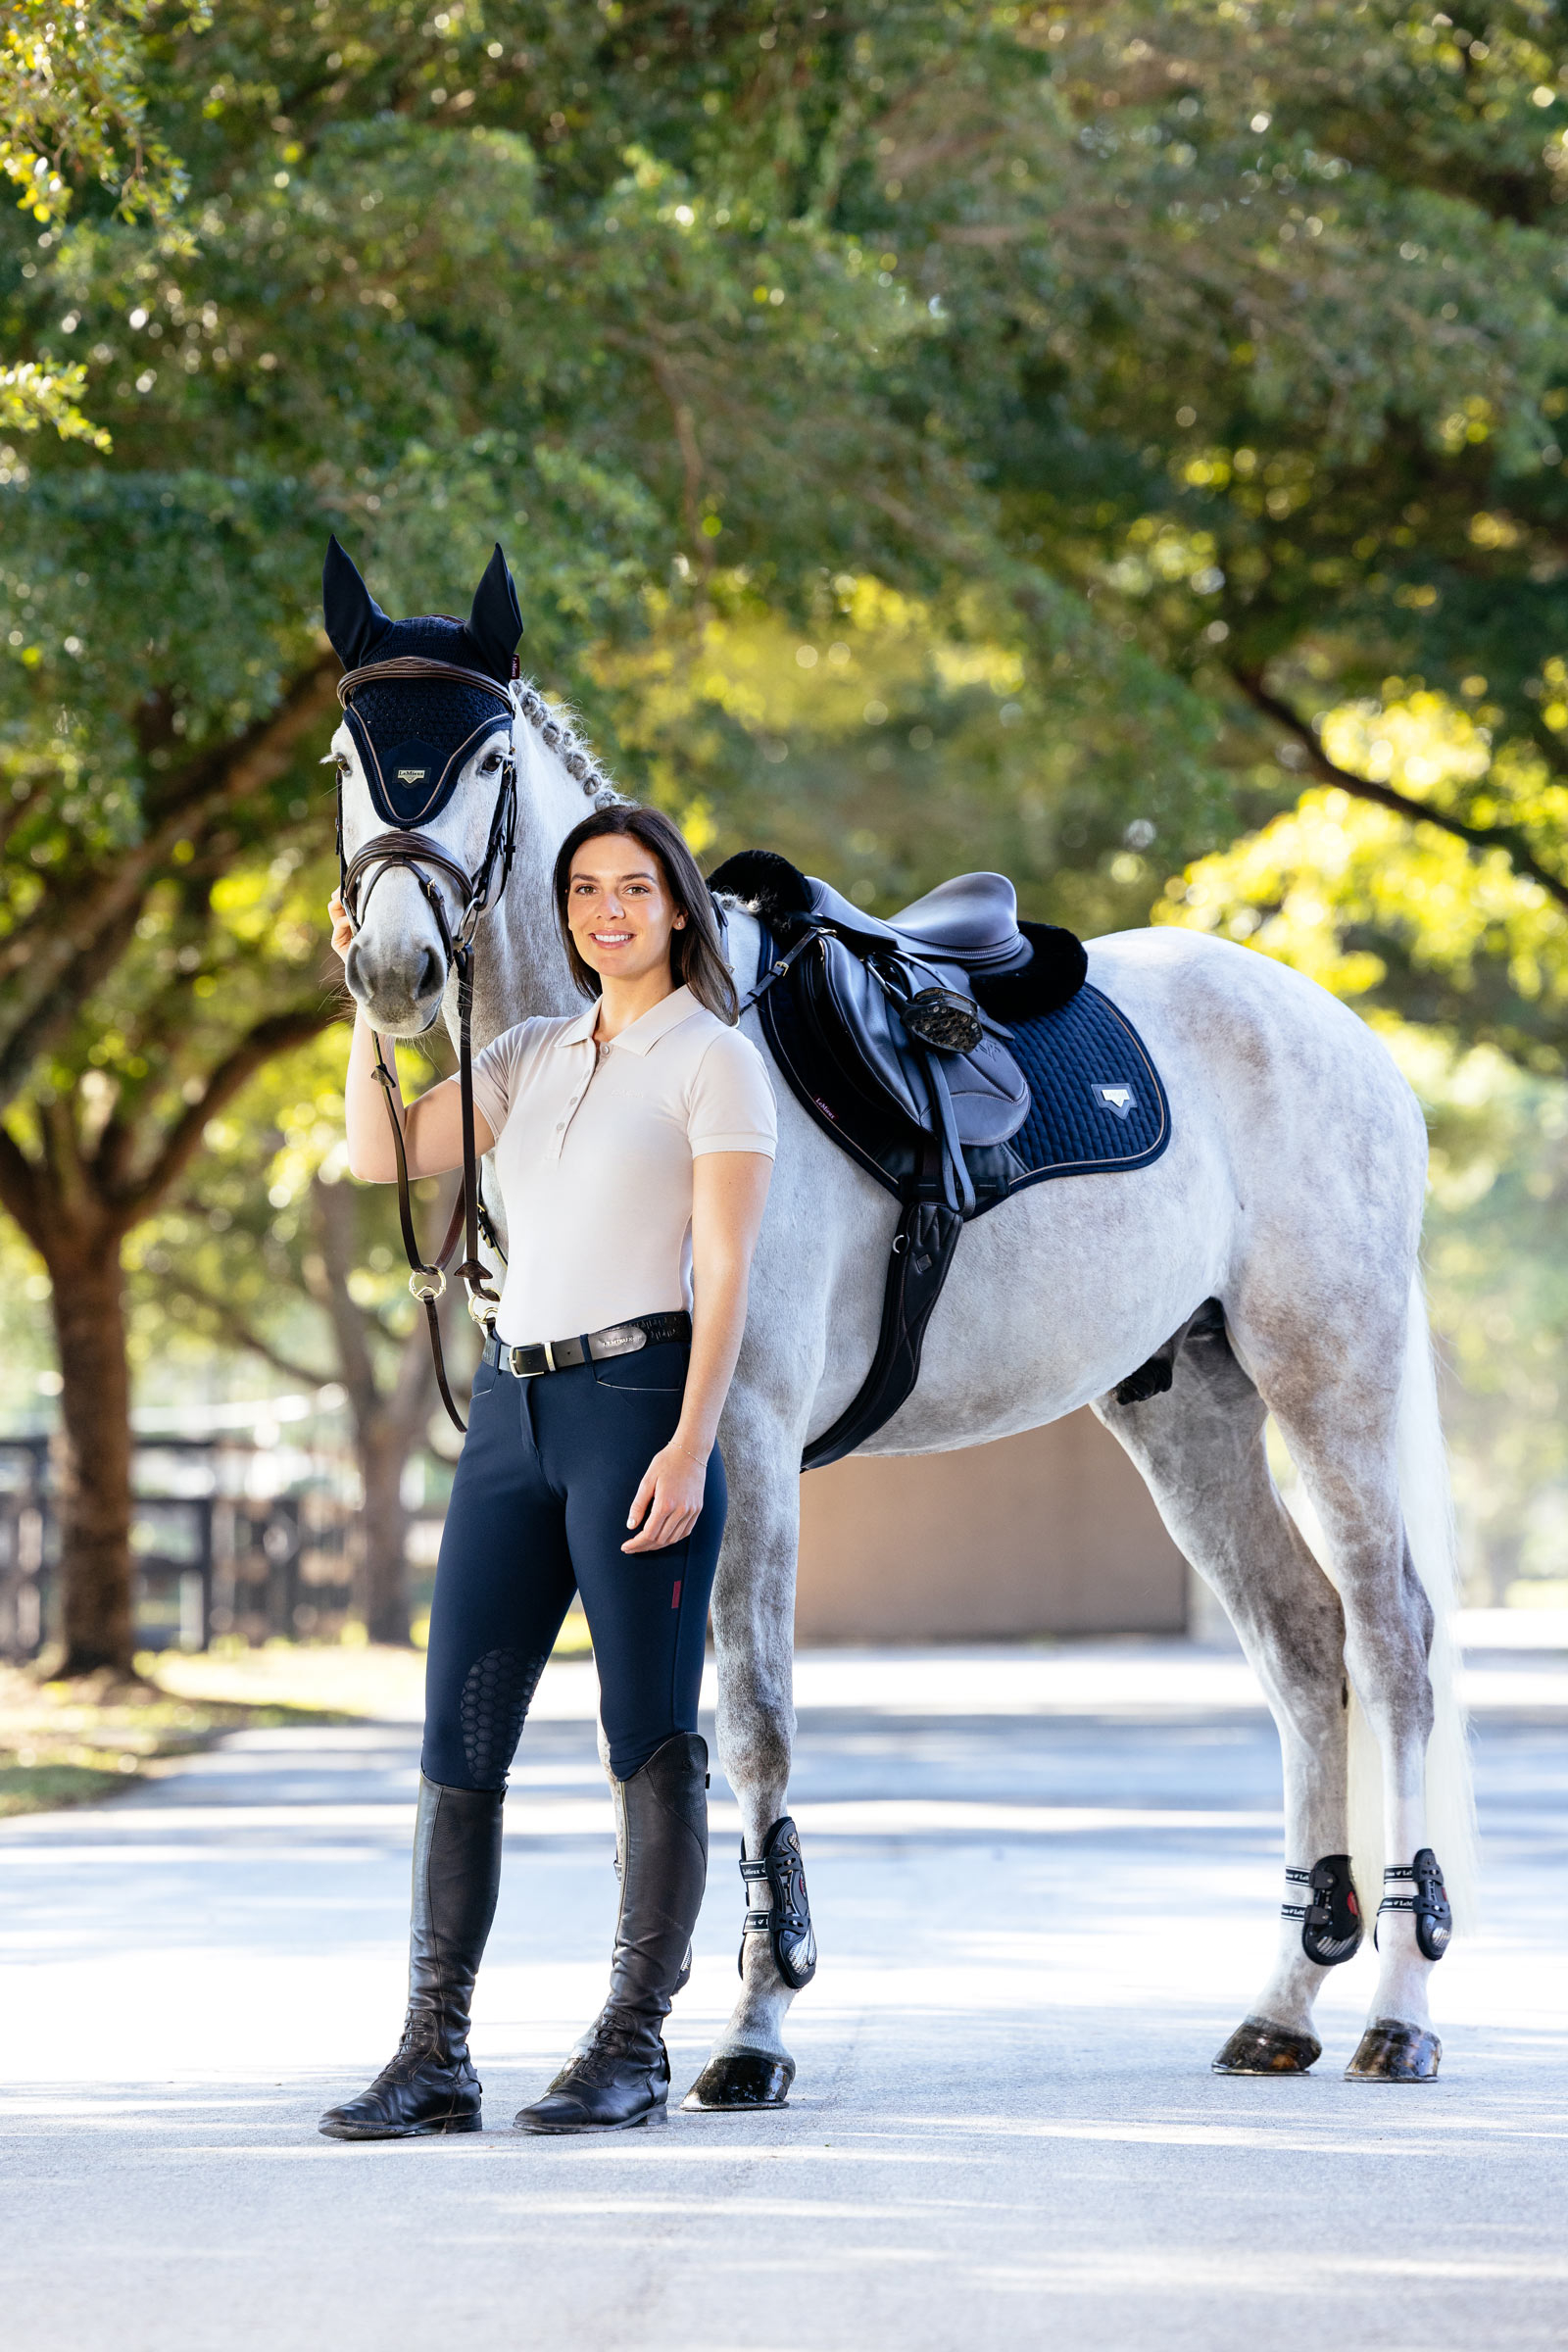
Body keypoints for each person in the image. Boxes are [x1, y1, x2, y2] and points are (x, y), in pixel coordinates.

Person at [317, 803, 776, 2137]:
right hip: (513, 1423)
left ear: (677, 907)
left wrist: (692, 1447)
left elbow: (731, 1268)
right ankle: (434, 2056)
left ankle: (631, 2047)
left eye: (635, 889)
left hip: (640, 1409)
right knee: (458, 1744)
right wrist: (368, 1007)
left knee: (649, 1738)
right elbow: (381, 1154)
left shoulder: (714, 1062)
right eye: (585, 890)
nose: (607, 912)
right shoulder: (526, 1051)